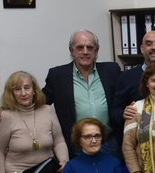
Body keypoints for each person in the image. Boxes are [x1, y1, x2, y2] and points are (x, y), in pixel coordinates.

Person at [0, 71, 69, 173]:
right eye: (17, 89)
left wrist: (64, 161)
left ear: (34, 90)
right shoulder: (5, 116)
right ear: (11, 93)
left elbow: (59, 140)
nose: (23, 93)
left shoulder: (47, 110)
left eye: (27, 88)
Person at [43, 30, 122, 158]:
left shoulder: (111, 70)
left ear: (96, 51)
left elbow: (125, 96)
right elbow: (40, 101)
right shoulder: (58, 75)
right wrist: (6, 111)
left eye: (90, 48)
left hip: (108, 143)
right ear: (71, 50)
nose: (85, 52)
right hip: (76, 145)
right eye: (80, 47)